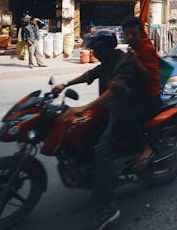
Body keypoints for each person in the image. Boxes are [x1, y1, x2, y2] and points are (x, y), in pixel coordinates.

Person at [52, 30, 140, 230]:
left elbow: (114, 91)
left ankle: (107, 208)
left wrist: (84, 107)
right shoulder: (108, 61)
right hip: (108, 109)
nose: (92, 53)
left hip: (121, 112)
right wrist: (65, 84)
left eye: (94, 50)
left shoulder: (123, 63)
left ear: (103, 50)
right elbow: (90, 74)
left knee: (103, 151)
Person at [120, 16, 161, 170]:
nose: (130, 37)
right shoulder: (135, 48)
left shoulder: (146, 48)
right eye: (127, 34)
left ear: (140, 33)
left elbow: (148, 75)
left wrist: (135, 60)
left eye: (134, 34)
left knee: (128, 120)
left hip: (150, 98)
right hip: (138, 94)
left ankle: (146, 149)